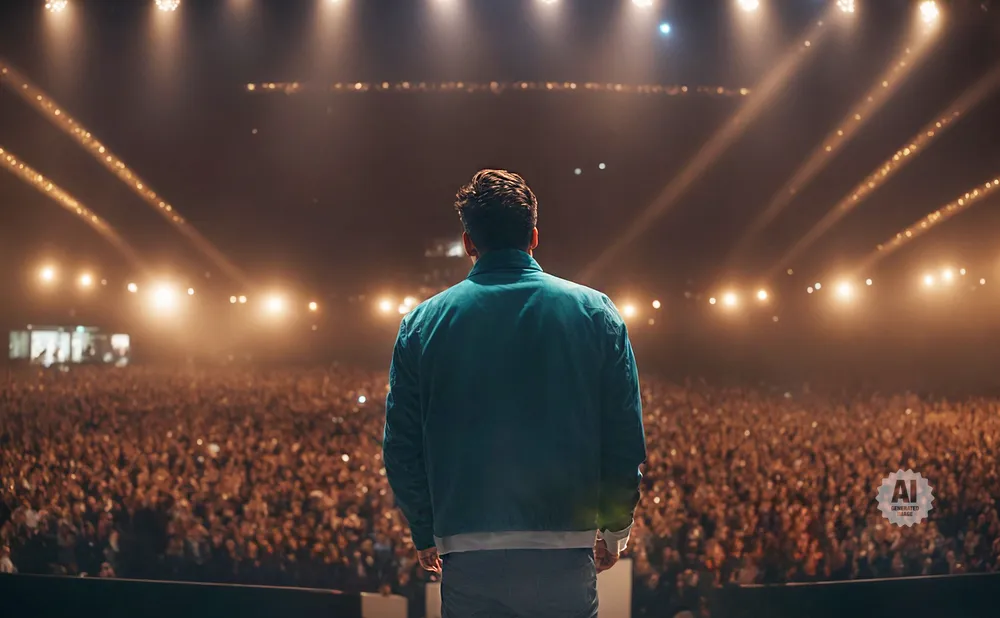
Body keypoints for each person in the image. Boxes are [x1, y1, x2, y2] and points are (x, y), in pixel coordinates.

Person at [383, 169, 647, 617]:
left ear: (469, 242)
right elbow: (624, 435)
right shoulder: (595, 312)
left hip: (466, 554)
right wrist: (615, 528)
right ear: (534, 236)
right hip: (565, 551)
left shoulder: (421, 324)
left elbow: (401, 446)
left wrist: (425, 531)